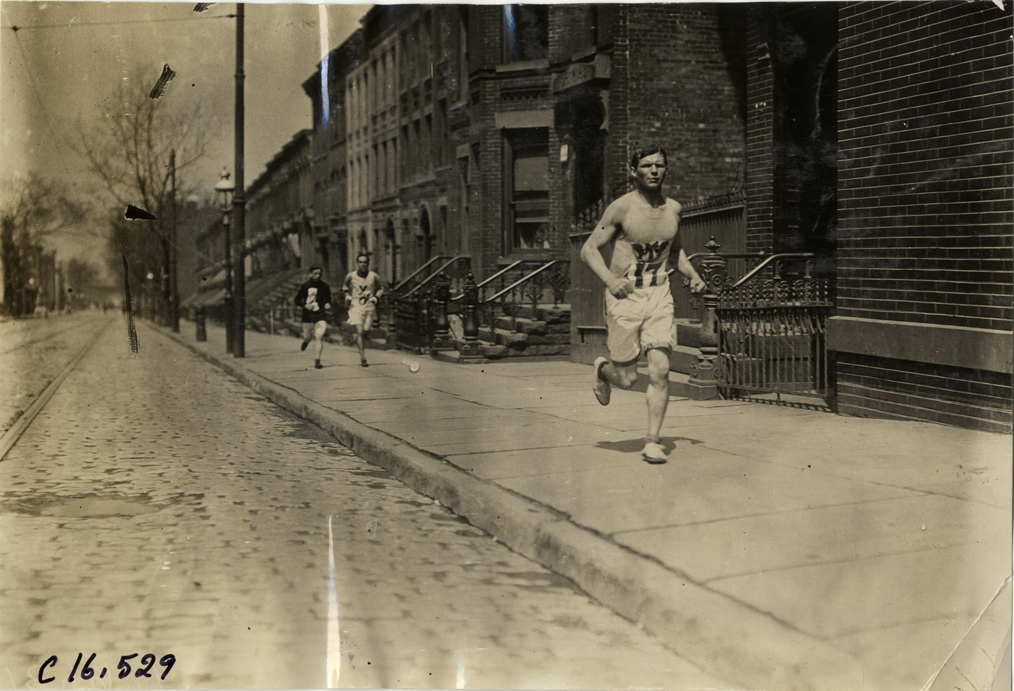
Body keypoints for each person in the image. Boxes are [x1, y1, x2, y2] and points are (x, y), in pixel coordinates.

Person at [580, 144, 707, 464]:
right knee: (627, 379)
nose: (653, 170)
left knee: (660, 371)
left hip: (659, 295)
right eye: (647, 165)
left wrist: (692, 274)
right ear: (633, 171)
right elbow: (588, 250)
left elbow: (674, 252)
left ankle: (652, 441)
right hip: (625, 298)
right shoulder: (621, 209)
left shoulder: (674, 209)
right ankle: (602, 370)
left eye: (659, 165)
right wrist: (611, 281)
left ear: (666, 170)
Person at [344, 253, 384, 367]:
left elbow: (380, 288)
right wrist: (347, 295)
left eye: (365, 262)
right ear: (357, 263)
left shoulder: (373, 276)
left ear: (368, 264)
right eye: (360, 262)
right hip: (356, 306)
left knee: (365, 331)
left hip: (369, 307)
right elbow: (345, 286)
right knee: (360, 330)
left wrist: (376, 297)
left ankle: (357, 337)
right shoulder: (351, 276)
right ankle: (363, 358)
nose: (363, 264)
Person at [294, 266, 332, 370]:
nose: (317, 276)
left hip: (320, 314)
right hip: (308, 315)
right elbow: (297, 300)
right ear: (310, 274)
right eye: (315, 273)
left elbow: (328, 298)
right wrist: (305, 305)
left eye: (319, 274)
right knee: (308, 337)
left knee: (319, 336)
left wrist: (328, 303)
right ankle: (306, 341)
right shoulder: (305, 286)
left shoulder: (324, 286)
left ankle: (317, 360)